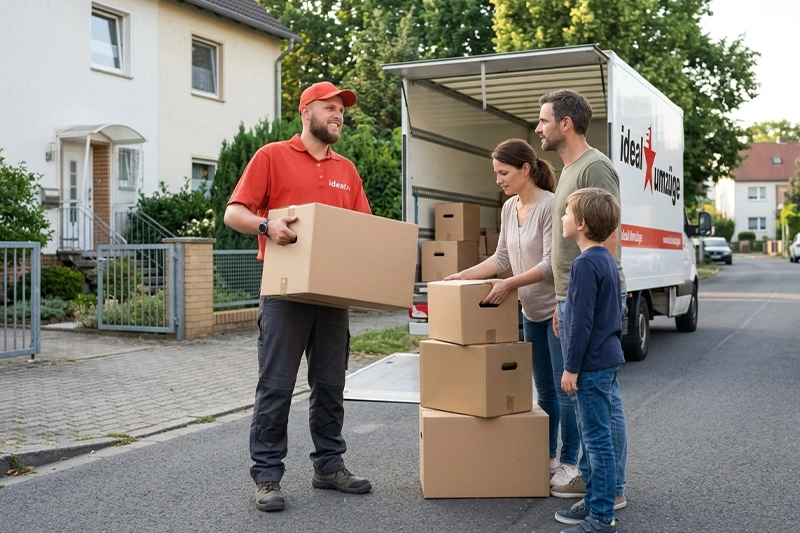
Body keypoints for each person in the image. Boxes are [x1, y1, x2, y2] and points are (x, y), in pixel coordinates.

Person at [224, 81, 373, 513]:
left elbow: (362, 229)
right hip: (285, 294)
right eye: (329, 108)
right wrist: (268, 226)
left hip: (332, 295)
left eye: (341, 110)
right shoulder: (271, 156)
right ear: (306, 111)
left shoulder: (347, 170)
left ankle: (329, 466)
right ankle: (267, 477)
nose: (338, 115)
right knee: (276, 386)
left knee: (331, 384)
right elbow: (235, 213)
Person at [443, 139, 580, 478]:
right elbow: (500, 257)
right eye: (496, 173)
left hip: (555, 312)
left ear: (525, 170)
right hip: (529, 312)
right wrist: (463, 274)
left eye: (503, 173)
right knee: (544, 391)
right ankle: (547, 457)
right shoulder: (509, 208)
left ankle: (570, 462)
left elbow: (551, 264)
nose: (498, 180)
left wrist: (508, 284)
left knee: (565, 393)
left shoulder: (550, 206)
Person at [535, 89, 628, 509]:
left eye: (543, 120)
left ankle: (612, 489)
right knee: (590, 398)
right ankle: (597, 482)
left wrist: (583, 304)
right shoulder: (569, 170)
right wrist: (560, 302)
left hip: (588, 296)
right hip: (569, 296)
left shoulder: (596, 168)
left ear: (565, 123)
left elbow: (608, 236)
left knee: (600, 399)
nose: (538, 128)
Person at [553, 187, 626, 533]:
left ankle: (601, 518)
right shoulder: (605, 259)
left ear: (580, 224)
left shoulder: (583, 265)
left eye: (566, 214)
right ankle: (596, 500)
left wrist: (570, 368)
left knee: (596, 441)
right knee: (599, 438)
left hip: (591, 365)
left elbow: (580, 323)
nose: (563, 219)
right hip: (606, 360)